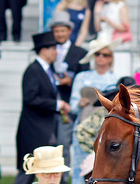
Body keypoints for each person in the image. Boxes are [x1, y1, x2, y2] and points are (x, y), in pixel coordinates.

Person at [14, 32, 72, 184]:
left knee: (43, 169)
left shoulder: (46, 70)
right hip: (33, 130)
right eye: (53, 48)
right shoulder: (33, 70)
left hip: (43, 128)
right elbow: (30, 98)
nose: (56, 52)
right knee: (29, 169)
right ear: (43, 50)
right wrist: (56, 104)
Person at [69, 36, 119, 184]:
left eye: (106, 54)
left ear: (111, 58)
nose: (101, 58)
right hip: (84, 126)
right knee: (80, 165)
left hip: (105, 127)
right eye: (98, 54)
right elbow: (72, 106)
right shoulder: (82, 77)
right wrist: (80, 103)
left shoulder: (115, 78)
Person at [49, 11, 89, 173]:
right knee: (53, 145)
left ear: (69, 31)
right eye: (56, 31)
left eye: (62, 30)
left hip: (70, 106)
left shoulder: (80, 53)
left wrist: (70, 82)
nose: (59, 34)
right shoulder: (49, 50)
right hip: (51, 105)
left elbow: (85, 81)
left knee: (64, 145)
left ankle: (64, 178)